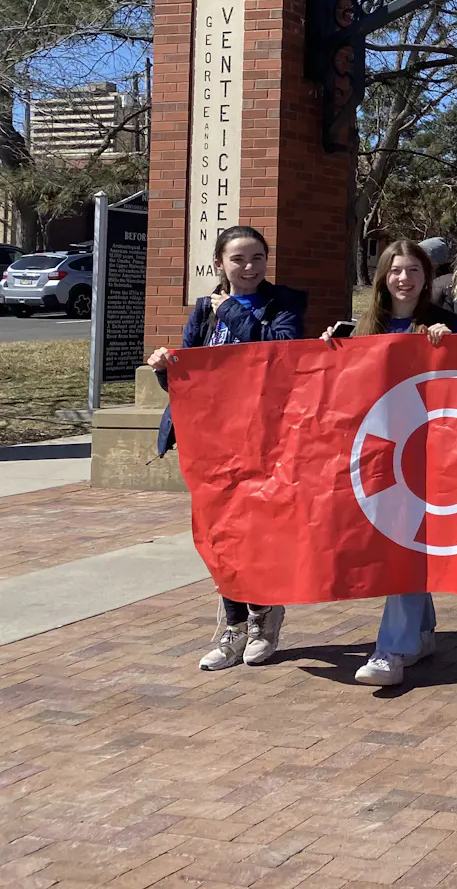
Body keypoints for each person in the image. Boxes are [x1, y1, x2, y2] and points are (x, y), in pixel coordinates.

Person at [146, 226, 305, 672]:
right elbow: (190, 376)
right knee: (219, 536)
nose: (249, 267)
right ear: (219, 263)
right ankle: (233, 624)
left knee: (254, 533)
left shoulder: (285, 304)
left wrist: (234, 310)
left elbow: (280, 354)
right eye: (238, 260)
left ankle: (263, 615)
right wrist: (165, 368)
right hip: (209, 441)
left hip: (261, 438)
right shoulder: (203, 310)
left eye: (257, 258)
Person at [323, 240, 457, 688]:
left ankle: (393, 649)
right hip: (377, 454)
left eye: (414, 271)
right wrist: (330, 350)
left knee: (404, 544)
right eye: (396, 270)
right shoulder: (360, 328)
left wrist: (456, 346)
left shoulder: (445, 323)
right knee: (403, 544)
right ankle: (420, 632)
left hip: (430, 453)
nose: (405, 279)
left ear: (427, 278)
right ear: (383, 276)